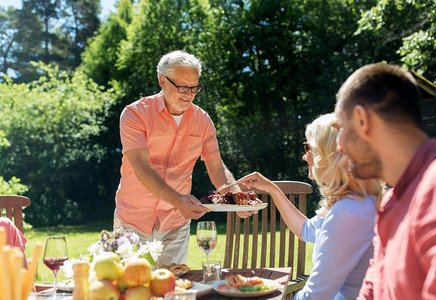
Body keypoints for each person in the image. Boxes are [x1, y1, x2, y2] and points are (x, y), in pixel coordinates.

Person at [114, 50, 243, 266]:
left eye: (194, 88)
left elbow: (216, 167)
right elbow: (141, 167)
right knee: (132, 288)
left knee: (173, 288)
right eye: (182, 87)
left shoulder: (202, 121)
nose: (188, 94)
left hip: (175, 221)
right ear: (162, 81)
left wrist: (236, 196)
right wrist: (179, 201)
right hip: (133, 218)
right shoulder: (134, 114)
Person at [333, 63, 436, 299]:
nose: (339, 146)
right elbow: (372, 288)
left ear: (362, 120)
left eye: (341, 129)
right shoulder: (394, 200)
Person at [237, 113, 384, 299]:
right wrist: (272, 189)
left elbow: (315, 296)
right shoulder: (357, 202)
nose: (304, 156)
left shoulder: (347, 213)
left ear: (329, 155)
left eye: (309, 148)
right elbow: (306, 230)